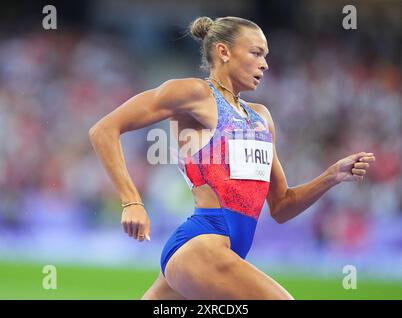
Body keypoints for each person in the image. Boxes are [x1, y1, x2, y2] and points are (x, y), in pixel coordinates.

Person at [88, 16, 376, 300]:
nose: (265, 63)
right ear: (223, 51)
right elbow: (104, 130)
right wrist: (132, 201)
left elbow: (282, 206)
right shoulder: (196, 94)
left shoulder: (261, 117)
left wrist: (333, 175)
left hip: (220, 253)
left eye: (266, 55)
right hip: (201, 246)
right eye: (256, 53)